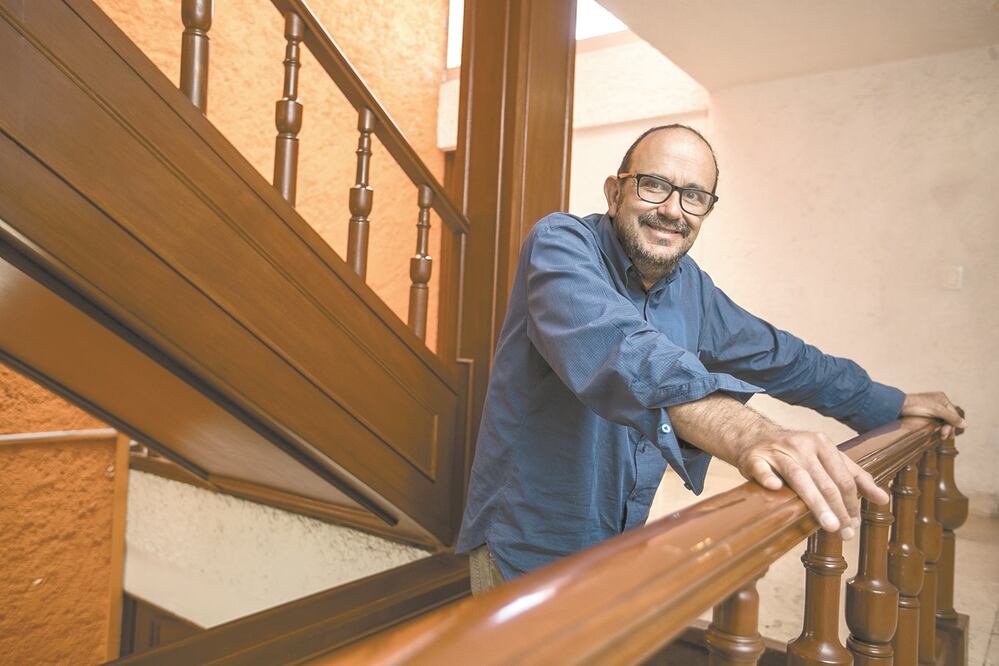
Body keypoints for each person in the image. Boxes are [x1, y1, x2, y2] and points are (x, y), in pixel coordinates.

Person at [455, 124, 964, 595]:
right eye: (654, 184)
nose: (674, 210)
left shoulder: (690, 287)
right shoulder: (561, 244)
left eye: (694, 196)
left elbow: (785, 357)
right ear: (614, 192)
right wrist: (753, 435)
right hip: (524, 546)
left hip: (617, 544)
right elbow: (620, 347)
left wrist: (890, 403)